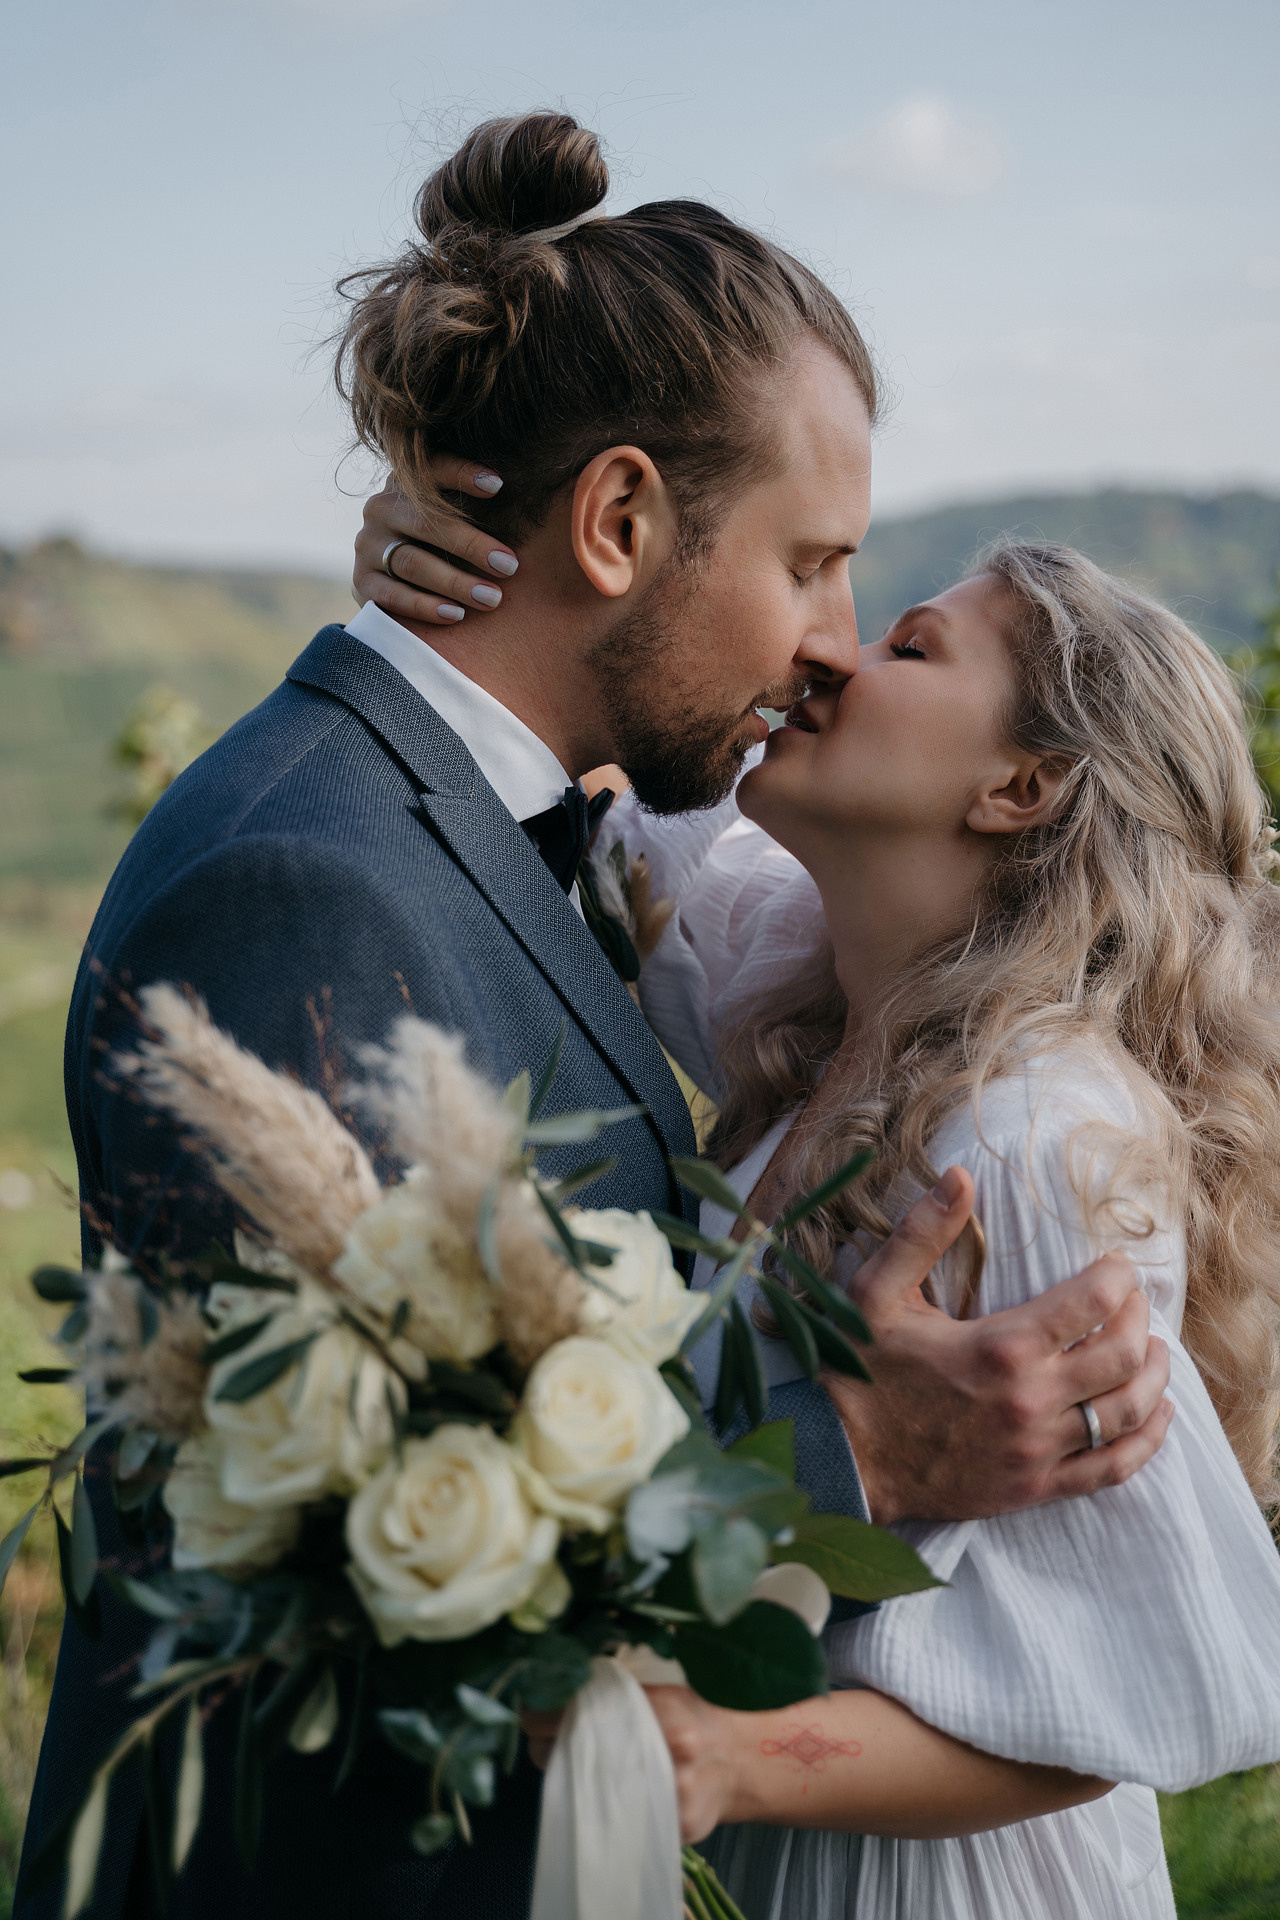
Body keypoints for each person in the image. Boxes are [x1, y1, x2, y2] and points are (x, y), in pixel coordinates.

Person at [20, 113, 1171, 1920]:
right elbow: (356, 1551)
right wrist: (851, 1452)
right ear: (621, 517)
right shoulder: (311, 883)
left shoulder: (515, 814)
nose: (834, 642)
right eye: (810, 561)